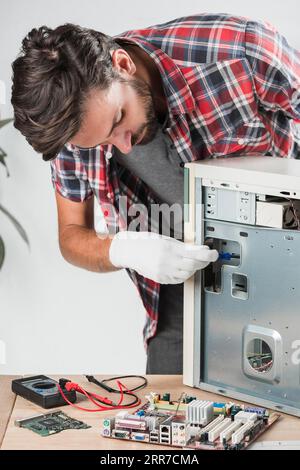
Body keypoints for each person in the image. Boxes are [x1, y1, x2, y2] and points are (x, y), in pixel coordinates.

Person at [11, 13, 300, 374]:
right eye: (104, 142)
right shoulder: (74, 128)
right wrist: (123, 248)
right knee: (167, 415)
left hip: (285, 271)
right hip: (181, 297)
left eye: (119, 120)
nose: (124, 145)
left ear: (123, 63)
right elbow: (71, 235)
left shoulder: (241, 51)